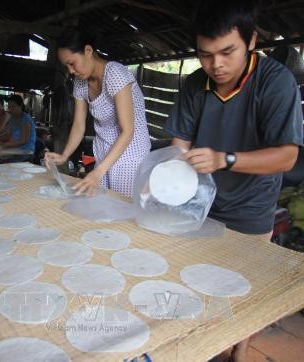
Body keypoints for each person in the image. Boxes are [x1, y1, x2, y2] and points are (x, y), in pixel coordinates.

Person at [165, 2, 303, 360]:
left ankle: (238, 353)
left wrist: (223, 159)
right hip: (201, 205)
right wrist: (171, 178)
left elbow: (286, 155)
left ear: (251, 40)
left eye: (228, 52)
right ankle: (198, 346)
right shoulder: (196, 83)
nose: (217, 65)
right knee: (196, 282)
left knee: (244, 292)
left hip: (251, 208)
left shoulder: (276, 83)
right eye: (205, 55)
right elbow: (179, 143)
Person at [45, 28, 151, 197]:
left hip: (130, 152)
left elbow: (128, 131)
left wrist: (98, 171)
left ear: (88, 51)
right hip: (104, 149)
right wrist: (64, 155)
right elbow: (79, 126)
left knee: (123, 208)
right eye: (66, 66)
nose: (71, 71)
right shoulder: (81, 82)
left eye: (72, 63)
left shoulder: (115, 74)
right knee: (100, 203)